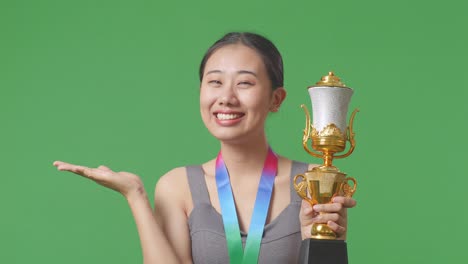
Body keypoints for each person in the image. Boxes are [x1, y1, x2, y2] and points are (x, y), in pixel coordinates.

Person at [53, 32, 356, 264]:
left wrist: (322, 243)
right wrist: (135, 195)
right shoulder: (177, 187)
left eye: (245, 84)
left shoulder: (314, 183)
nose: (226, 97)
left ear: (276, 99)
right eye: (214, 82)